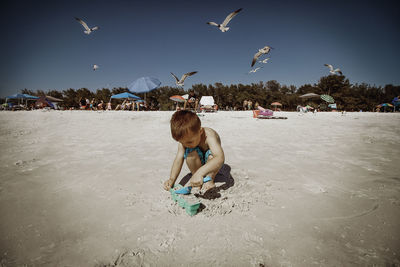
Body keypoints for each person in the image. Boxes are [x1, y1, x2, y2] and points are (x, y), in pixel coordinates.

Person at [163, 110, 225, 194]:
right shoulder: (185, 140)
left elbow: (220, 157)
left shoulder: (209, 136)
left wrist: (200, 172)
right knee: (189, 154)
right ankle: (197, 180)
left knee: (212, 156)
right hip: (198, 163)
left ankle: (209, 179)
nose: (185, 145)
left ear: (200, 131)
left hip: (211, 164)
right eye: (182, 142)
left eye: (189, 142)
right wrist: (172, 179)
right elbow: (178, 159)